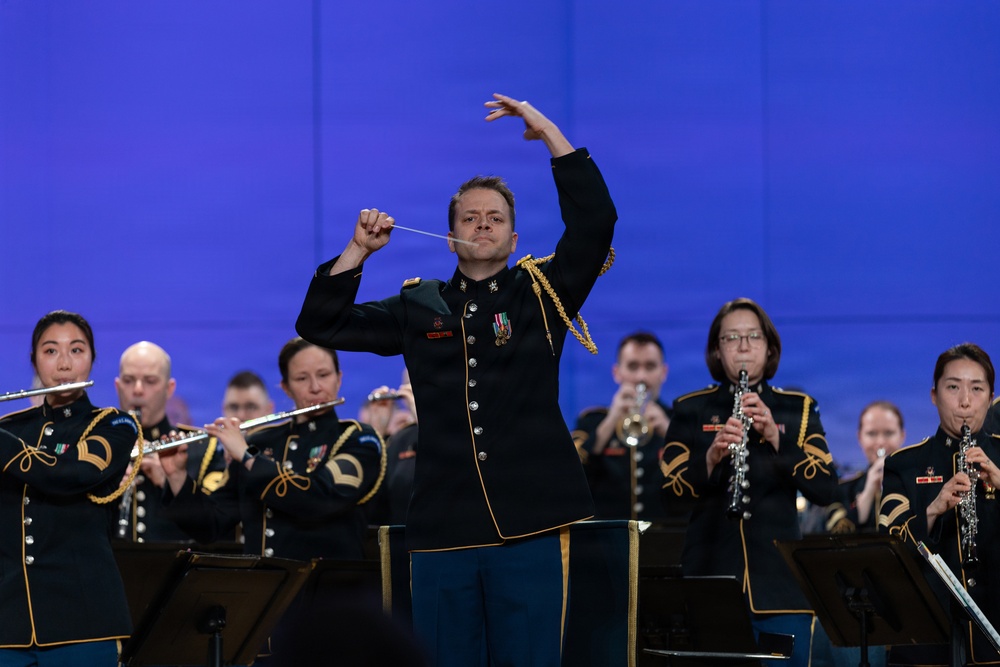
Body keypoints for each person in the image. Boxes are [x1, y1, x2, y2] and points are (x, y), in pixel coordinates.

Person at [295, 93, 616, 667]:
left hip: (529, 523)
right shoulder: (419, 305)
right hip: (444, 529)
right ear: (451, 238)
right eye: (470, 217)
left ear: (515, 241)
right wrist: (357, 252)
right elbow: (321, 322)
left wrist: (545, 130)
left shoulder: (540, 293)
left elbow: (596, 222)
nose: (483, 224)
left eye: (496, 218)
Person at [658, 298, 838, 667]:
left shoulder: (798, 408)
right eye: (731, 338)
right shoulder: (690, 408)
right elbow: (668, 499)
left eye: (753, 336)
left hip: (780, 586)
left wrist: (776, 437)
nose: (743, 346)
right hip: (710, 583)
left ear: (769, 347)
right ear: (716, 350)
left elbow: (827, 490)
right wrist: (710, 458)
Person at [159, 337, 386, 562]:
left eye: (324, 375)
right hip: (266, 592)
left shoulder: (359, 439)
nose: (316, 387)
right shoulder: (262, 441)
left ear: (339, 378)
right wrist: (177, 475)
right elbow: (211, 526)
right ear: (286, 387)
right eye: (301, 378)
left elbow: (319, 500)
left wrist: (248, 457)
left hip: (328, 591)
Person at [0, 310, 139, 665]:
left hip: (84, 624)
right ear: (34, 359)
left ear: (92, 359)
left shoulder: (115, 424)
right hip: (8, 627)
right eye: (50, 351)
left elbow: (69, 473)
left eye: (76, 351)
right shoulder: (11, 427)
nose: (64, 364)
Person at [879, 342, 1000, 665]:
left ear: (990, 398)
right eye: (953, 387)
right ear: (934, 396)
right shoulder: (903, 464)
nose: (964, 402)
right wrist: (933, 509)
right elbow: (886, 551)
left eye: (977, 389)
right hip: (926, 646)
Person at [573, 331, 671, 521]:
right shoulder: (591, 421)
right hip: (608, 541)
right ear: (617, 373)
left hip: (666, 540)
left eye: (650, 366)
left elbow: (699, 477)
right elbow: (570, 475)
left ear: (663, 372)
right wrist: (611, 421)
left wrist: (669, 431)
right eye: (633, 366)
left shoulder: (679, 420)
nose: (641, 377)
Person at [114, 341, 199, 542]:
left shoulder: (200, 448)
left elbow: (214, 529)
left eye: (150, 381)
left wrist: (168, 481)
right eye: (128, 380)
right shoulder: (95, 445)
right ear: (117, 386)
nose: (137, 390)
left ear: (170, 388)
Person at [824, 401, 906, 534]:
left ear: (902, 436)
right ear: (860, 437)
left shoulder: (918, 485)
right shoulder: (841, 490)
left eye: (889, 433)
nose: (880, 442)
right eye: (872, 434)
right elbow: (834, 538)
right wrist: (867, 495)